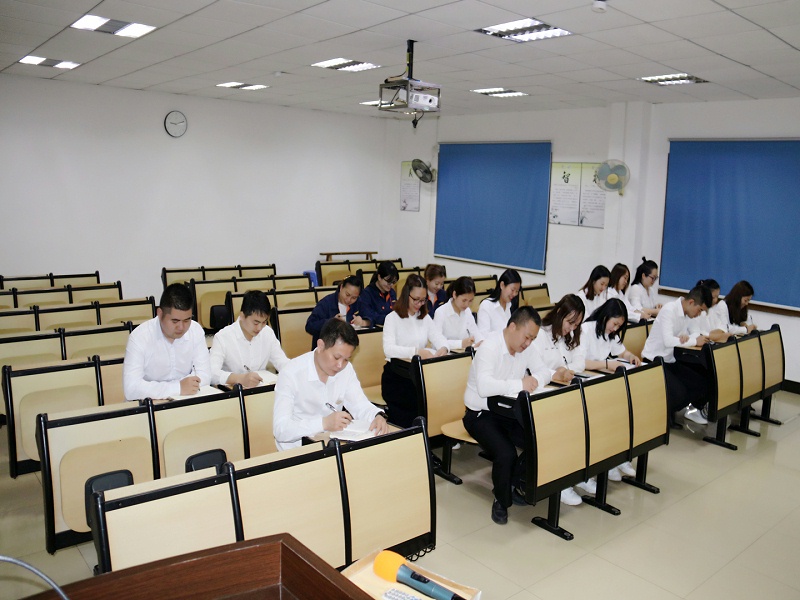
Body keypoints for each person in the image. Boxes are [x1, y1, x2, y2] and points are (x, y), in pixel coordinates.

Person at [463, 306, 554, 525]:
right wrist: (520, 384)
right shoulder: (490, 347)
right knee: (506, 453)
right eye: (527, 337)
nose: (528, 343)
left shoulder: (526, 349)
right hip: (480, 413)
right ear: (513, 327)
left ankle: (512, 483)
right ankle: (501, 501)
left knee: (539, 441)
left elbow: (545, 371)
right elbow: (485, 387)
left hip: (508, 412)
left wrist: (535, 380)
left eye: (532, 339)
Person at [273, 319, 389, 450]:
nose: (340, 365)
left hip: (332, 446)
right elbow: (280, 429)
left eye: (346, 359)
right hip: (297, 451)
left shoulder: (346, 369)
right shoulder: (291, 372)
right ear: (321, 345)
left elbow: (359, 404)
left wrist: (377, 416)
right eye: (336, 357)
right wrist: (323, 423)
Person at [532, 293, 590, 505]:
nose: (572, 328)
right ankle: (562, 482)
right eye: (570, 322)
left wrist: (563, 371)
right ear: (559, 313)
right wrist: (556, 373)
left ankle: (579, 473)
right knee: (567, 427)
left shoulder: (569, 335)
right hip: (541, 394)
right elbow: (534, 368)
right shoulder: (540, 334)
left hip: (560, 390)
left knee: (586, 419)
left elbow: (578, 363)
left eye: (576, 324)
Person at [581, 298, 642, 480]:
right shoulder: (586, 330)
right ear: (605, 316)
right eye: (614, 324)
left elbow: (621, 351)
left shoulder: (610, 333)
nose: (615, 329)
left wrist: (631, 357)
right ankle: (607, 462)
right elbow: (581, 362)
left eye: (619, 326)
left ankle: (617, 457)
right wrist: (607, 364)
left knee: (622, 413)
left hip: (601, 380)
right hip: (585, 382)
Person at [123, 283, 211, 401]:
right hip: (148, 404)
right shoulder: (140, 337)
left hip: (186, 400)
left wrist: (185, 386)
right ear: (160, 314)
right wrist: (178, 387)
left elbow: (205, 375)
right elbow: (131, 389)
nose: (181, 327)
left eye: (187, 320)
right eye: (175, 321)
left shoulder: (195, 330)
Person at [382, 274, 449, 428]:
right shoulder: (392, 318)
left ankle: (428, 438)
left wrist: (443, 348)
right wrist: (416, 351)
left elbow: (439, 337)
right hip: (397, 377)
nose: (419, 304)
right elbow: (388, 349)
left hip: (419, 375)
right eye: (416, 299)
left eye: (423, 300)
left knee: (434, 405)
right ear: (407, 295)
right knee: (412, 415)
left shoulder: (424, 317)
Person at [642, 284, 713, 427]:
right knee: (680, 393)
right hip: (653, 362)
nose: (699, 314)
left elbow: (691, 333)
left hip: (669, 360)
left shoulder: (687, 314)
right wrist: (693, 340)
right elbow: (668, 341)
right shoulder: (669, 310)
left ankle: (678, 410)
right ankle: (662, 415)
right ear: (691, 302)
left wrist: (689, 337)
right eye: (700, 310)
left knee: (701, 382)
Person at [209, 290, 289, 388]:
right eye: (256, 323)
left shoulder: (267, 333)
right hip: (234, 392)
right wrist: (239, 378)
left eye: (264, 322)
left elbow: (281, 361)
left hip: (260, 389)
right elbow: (212, 373)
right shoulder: (223, 337)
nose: (259, 328)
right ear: (242, 316)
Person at [305, 275, 370, 348]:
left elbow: (373, 317)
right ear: (341, 287)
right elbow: (310, 326)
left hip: (350, 347)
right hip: (327, 348)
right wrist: (332, 322)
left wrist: (364, 322)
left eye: (354, 298)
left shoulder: (359, 303)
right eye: (347, 294)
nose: (349, 300)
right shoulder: (326, 303)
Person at [434, 276, 484, 350]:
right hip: (448, 354)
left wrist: (482, 342)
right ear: (454, 295)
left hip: (465, 353)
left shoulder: (467, 311)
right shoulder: (440, 312)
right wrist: (460, 343)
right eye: (464, 300)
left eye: (470, 301)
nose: (467, 304)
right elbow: (437, 342)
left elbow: (475, 332)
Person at [477, 269, 521, 337]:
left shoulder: (510, 305)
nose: (514, 294)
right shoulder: (486, 305)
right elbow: (483, 336)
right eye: (512, 290)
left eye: (517, 291)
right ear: (502, 285)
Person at [360, 261, 399, 327]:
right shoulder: (366, 294)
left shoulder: (392, 293)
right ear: (379, 277)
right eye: (388, 282)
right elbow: (369, 316)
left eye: (393, 282)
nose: (391, 285)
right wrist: (389, 319)